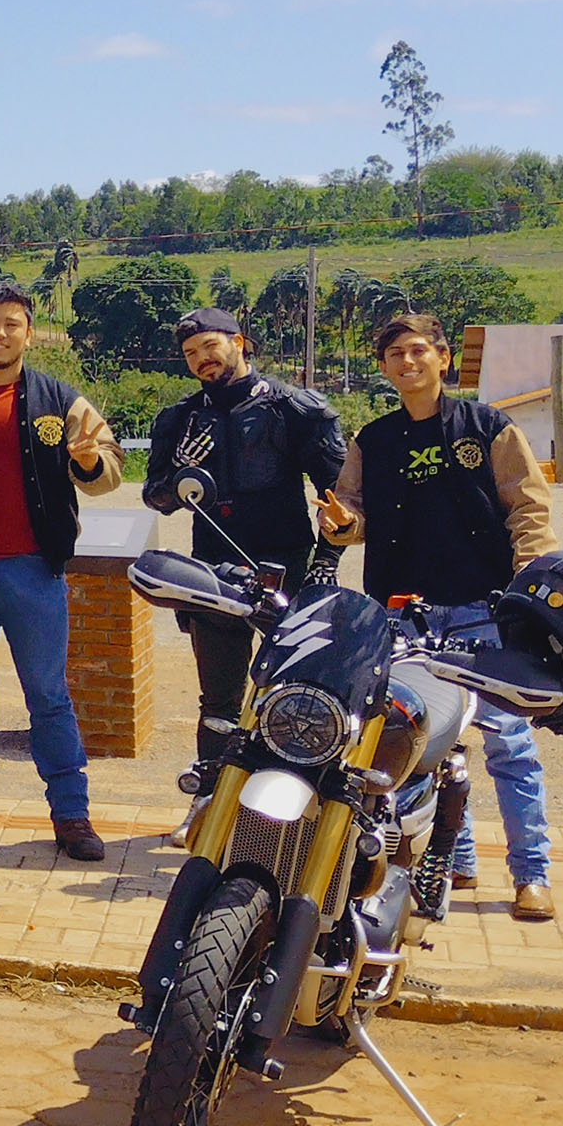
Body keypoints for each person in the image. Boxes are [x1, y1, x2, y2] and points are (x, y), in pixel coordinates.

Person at [325, 310, 559, 921]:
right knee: (419, 745)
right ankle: (452, 857)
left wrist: (529, 586)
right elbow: (350, 513)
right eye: (395, 354)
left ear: (442, 358)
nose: (408, 362)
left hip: (487, 610)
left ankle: (531, 873)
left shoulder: (488, 428)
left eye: (418, 351)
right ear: (383, 367)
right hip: (401, 614)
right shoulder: (371, 441)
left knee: (508, 741)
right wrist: (343, 524)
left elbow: (528, 508)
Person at [0, 285, 121, 862]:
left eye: (12, 324)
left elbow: (107, 470)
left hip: (34, 571)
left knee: (49, 695)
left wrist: (87, 459)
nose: (0, 333)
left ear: (29, 335)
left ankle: (72, 814)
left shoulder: (60, 401)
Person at [143, 307, 346, 776]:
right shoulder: (181, 419)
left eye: (210, 346)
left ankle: (289, 804)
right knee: (218, 699)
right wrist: (178, 478)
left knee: (296, 693)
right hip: (212, 572)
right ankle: (210, 799)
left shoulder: (295, 409)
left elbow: (338, 495)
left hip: (289, 567)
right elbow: (155, 496)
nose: (202, 359)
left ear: (239, 343)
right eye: (191, 354)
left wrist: (326, 562)